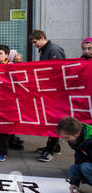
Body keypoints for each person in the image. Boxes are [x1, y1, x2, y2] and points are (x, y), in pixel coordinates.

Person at [29, 30, 66, 162]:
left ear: (42, 38)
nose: (35, 45)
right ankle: (53, 146)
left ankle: (50, 150)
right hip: (49, 91)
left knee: (53, 120)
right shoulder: (46, 50)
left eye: (35, 42)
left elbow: (56, 70)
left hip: (54, 92)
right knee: (51, 120)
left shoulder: (53, 50)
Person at [57, 116, 92, 193]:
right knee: (74, 169)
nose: (65, 140)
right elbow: (79, 158)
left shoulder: (90, 140)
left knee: (86, 167)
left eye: (66, 137)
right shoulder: (77, 139)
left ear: (76, 133)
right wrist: (74, 183)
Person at [7, 49, 25, 151]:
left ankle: (12, 138)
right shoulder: (12, 68)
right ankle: (11, 140)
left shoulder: (19, 66)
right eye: (17, 54)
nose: (20, 55)